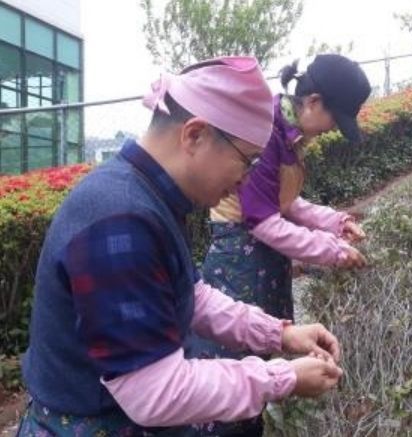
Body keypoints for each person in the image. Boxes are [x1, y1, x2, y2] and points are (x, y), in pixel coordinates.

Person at [16, 56, 344, 436]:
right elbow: (155, 392)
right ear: (194, 135)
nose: (245, 180)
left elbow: (192, 294)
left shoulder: (148, 195)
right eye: (247, 161)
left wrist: (280, 334)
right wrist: (282, 377)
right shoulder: (120, 221)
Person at [191, 54, 370, 435]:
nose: (333, 129)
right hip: (239, 261)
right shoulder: (265, 132)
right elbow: (263, 221)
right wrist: (333, 251)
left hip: (264, 260)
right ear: (314, 102)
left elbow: (285, 202)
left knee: (263, 352)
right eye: (335, 119)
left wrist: (336, 222)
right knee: (235, 361)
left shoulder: (290, 134)